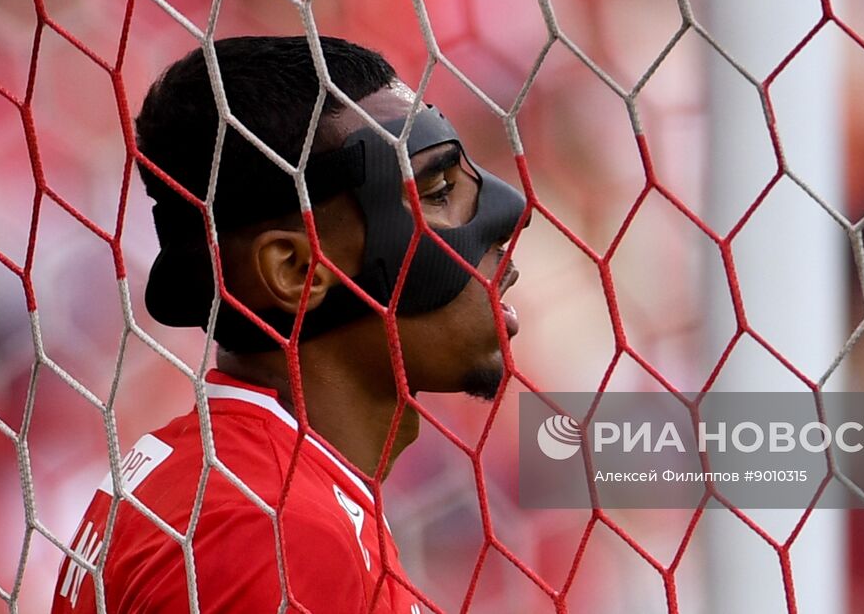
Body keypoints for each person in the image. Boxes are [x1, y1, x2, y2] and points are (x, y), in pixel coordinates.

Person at [51, 35, 526, 613]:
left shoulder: (238, 484)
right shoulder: (267, 533)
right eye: (438, 191)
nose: (506, 218)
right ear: (299, 269)